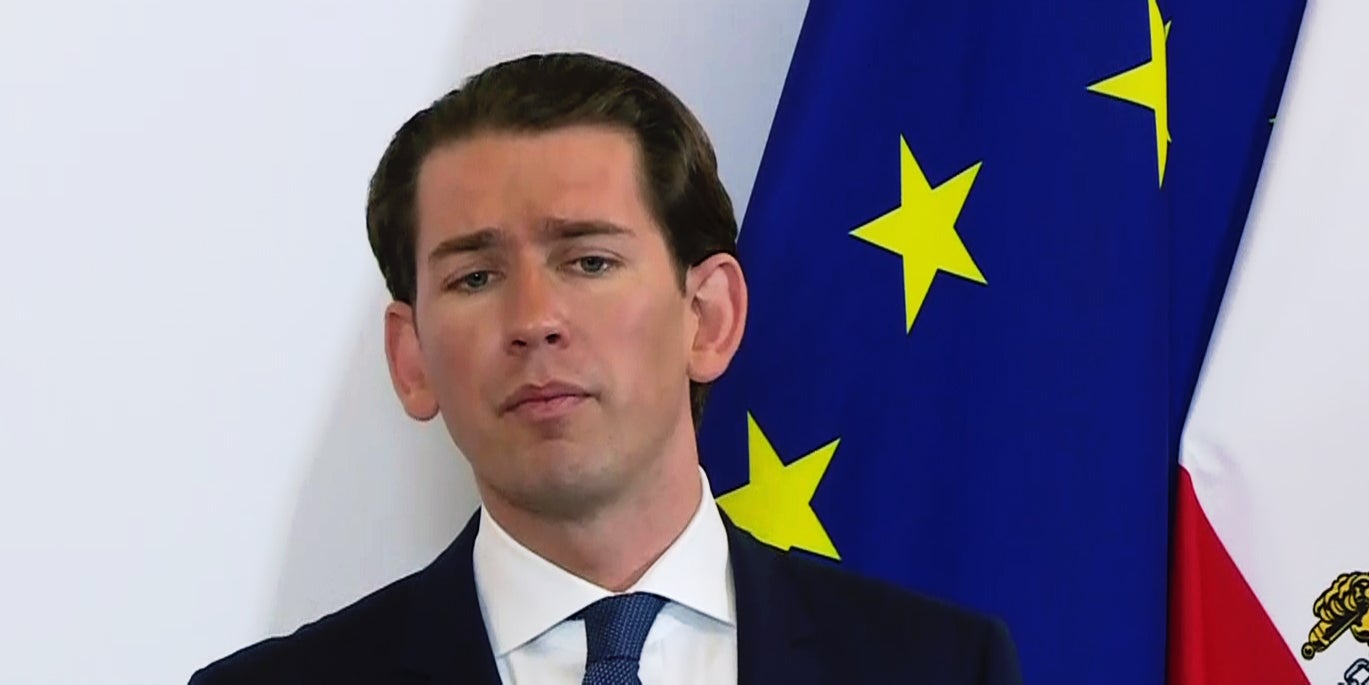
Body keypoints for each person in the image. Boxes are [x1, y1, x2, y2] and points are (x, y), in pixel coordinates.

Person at [189, 52, 1022, 685]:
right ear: (411, 359)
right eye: (474, 277)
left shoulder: (941, 667)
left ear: (708, 316)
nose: (533, 320)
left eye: (588, 261)